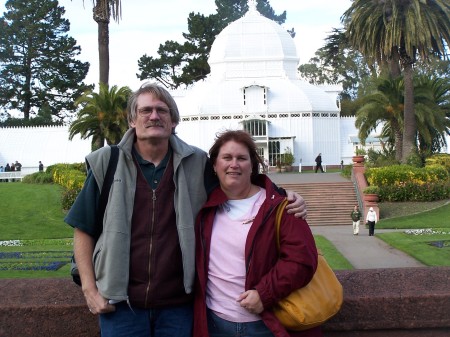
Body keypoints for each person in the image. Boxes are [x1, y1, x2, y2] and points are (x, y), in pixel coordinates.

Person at [64, 82, 307, 337]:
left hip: (178, 306)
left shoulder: (196, 162)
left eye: (162, 110)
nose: (154, 116)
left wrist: (281, 196)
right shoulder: (107, 162)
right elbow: (84, 228)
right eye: (146, 110)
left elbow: (235, 180)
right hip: (121, 306)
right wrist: (90, 291)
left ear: (174, 122)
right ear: (132, 120)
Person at [194, 130, 321, 337]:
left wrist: (265, 294)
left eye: (241, 158)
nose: (234, 164)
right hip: (214, 321)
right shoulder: (206, 207)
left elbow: (302, 259)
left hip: (264, 324)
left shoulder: (280, 206)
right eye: (226, 157)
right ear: (215, 166)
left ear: (252, 165)